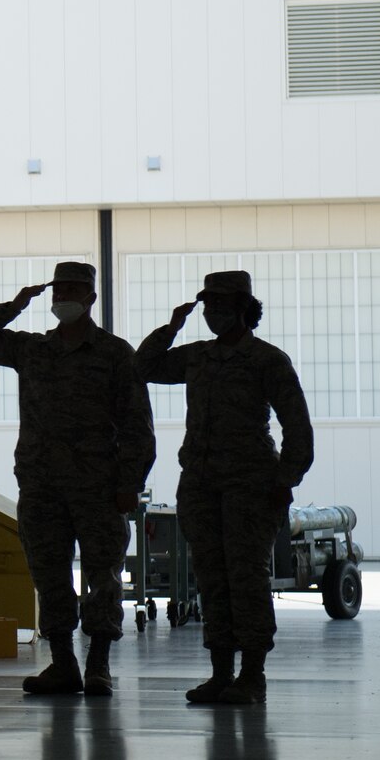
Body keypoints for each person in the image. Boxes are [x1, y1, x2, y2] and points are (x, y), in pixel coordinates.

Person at [0, 262, 156, 696]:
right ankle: (64, 664)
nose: (64, 296)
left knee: (104, 575)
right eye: (59, 288)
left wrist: (130, 482)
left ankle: (99, 665)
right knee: (49, 574)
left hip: (98, 485)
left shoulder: (113, 353)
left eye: (74, 289)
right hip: (41, 483)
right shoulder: (33, 350)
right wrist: (13, 307)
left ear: (91, 298)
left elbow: (137, 424)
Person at [138, 271, 313, 705]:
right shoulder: (199, 356)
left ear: (242, 309)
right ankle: (221, 673)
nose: (212, 314)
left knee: (246, 577)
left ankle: (252, 675)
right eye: (207, 306)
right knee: (211, 578)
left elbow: (298, 428)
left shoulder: (267, 360)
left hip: (251, 486)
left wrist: (284, 480)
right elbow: (143, 367)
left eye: (220, 305)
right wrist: (172, 326)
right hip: (200, 484)